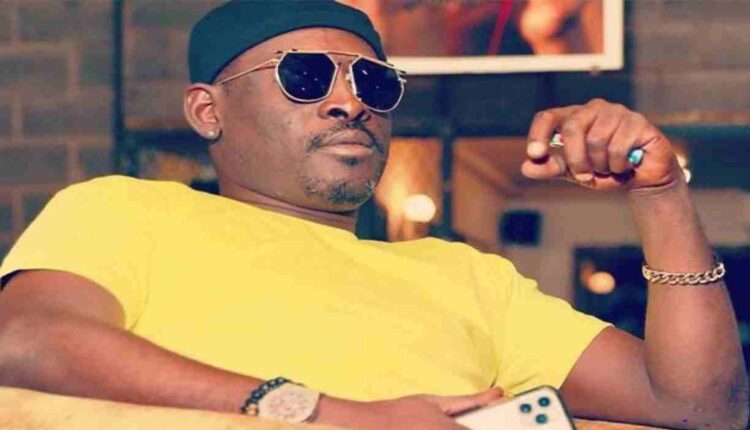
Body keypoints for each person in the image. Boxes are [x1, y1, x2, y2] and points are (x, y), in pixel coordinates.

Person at [0, 1, 747, 429]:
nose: (349, 101)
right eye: (303, 76)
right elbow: (25, 339)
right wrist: (329, 413)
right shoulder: (126, 209)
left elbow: (703, 404)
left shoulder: (466, 276)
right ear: (207, 110)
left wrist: (660, 194)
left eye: (374, 83)